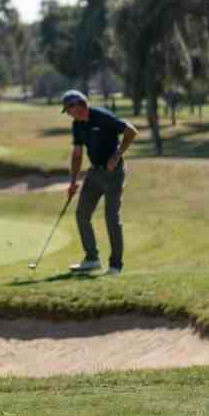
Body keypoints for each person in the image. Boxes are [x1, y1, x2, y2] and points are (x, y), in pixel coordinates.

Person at [61, 90, 137, 276]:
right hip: (94, 173)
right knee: (82, 214)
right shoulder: (77, 124)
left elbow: (131, 131)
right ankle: (92, 259)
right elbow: (77, 154)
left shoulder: (102, 116)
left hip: (114, 173)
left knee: (111, 217)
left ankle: (115, 266)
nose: (69, 114)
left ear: (79, 105)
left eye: (69, 109)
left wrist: (117, 155)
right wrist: (73, 182)